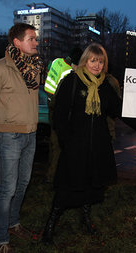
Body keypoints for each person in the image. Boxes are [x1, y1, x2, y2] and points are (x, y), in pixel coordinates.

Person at [42, 43, 136, 244]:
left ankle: (86, 218)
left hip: (98, 145)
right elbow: (60, 116)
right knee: (67, 187)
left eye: (101, 61)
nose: (97, 66)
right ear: (85, 61)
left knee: (91, 184)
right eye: (93, 60)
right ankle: (50, 224)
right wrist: (66, 142)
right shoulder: (71, 81)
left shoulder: (105, 86)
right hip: (74, 145)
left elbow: (120, 110)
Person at [0, 23, 44, 253]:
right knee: (7, 187)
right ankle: (0, 239)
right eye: (31, 39)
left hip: (31, 133)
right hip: (9, 135)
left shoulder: (35, 67)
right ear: (16, 42)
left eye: (36, 39)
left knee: (23, 183)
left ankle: (13, 224)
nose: (36, 42)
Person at [44, 47, 83, 183]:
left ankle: (50, 173)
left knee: (53, 143)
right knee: (57, 145)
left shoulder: (57, 61)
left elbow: (48, 70)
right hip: (57, 108)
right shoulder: (68, 72)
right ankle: (53, 177)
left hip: (49, 100)